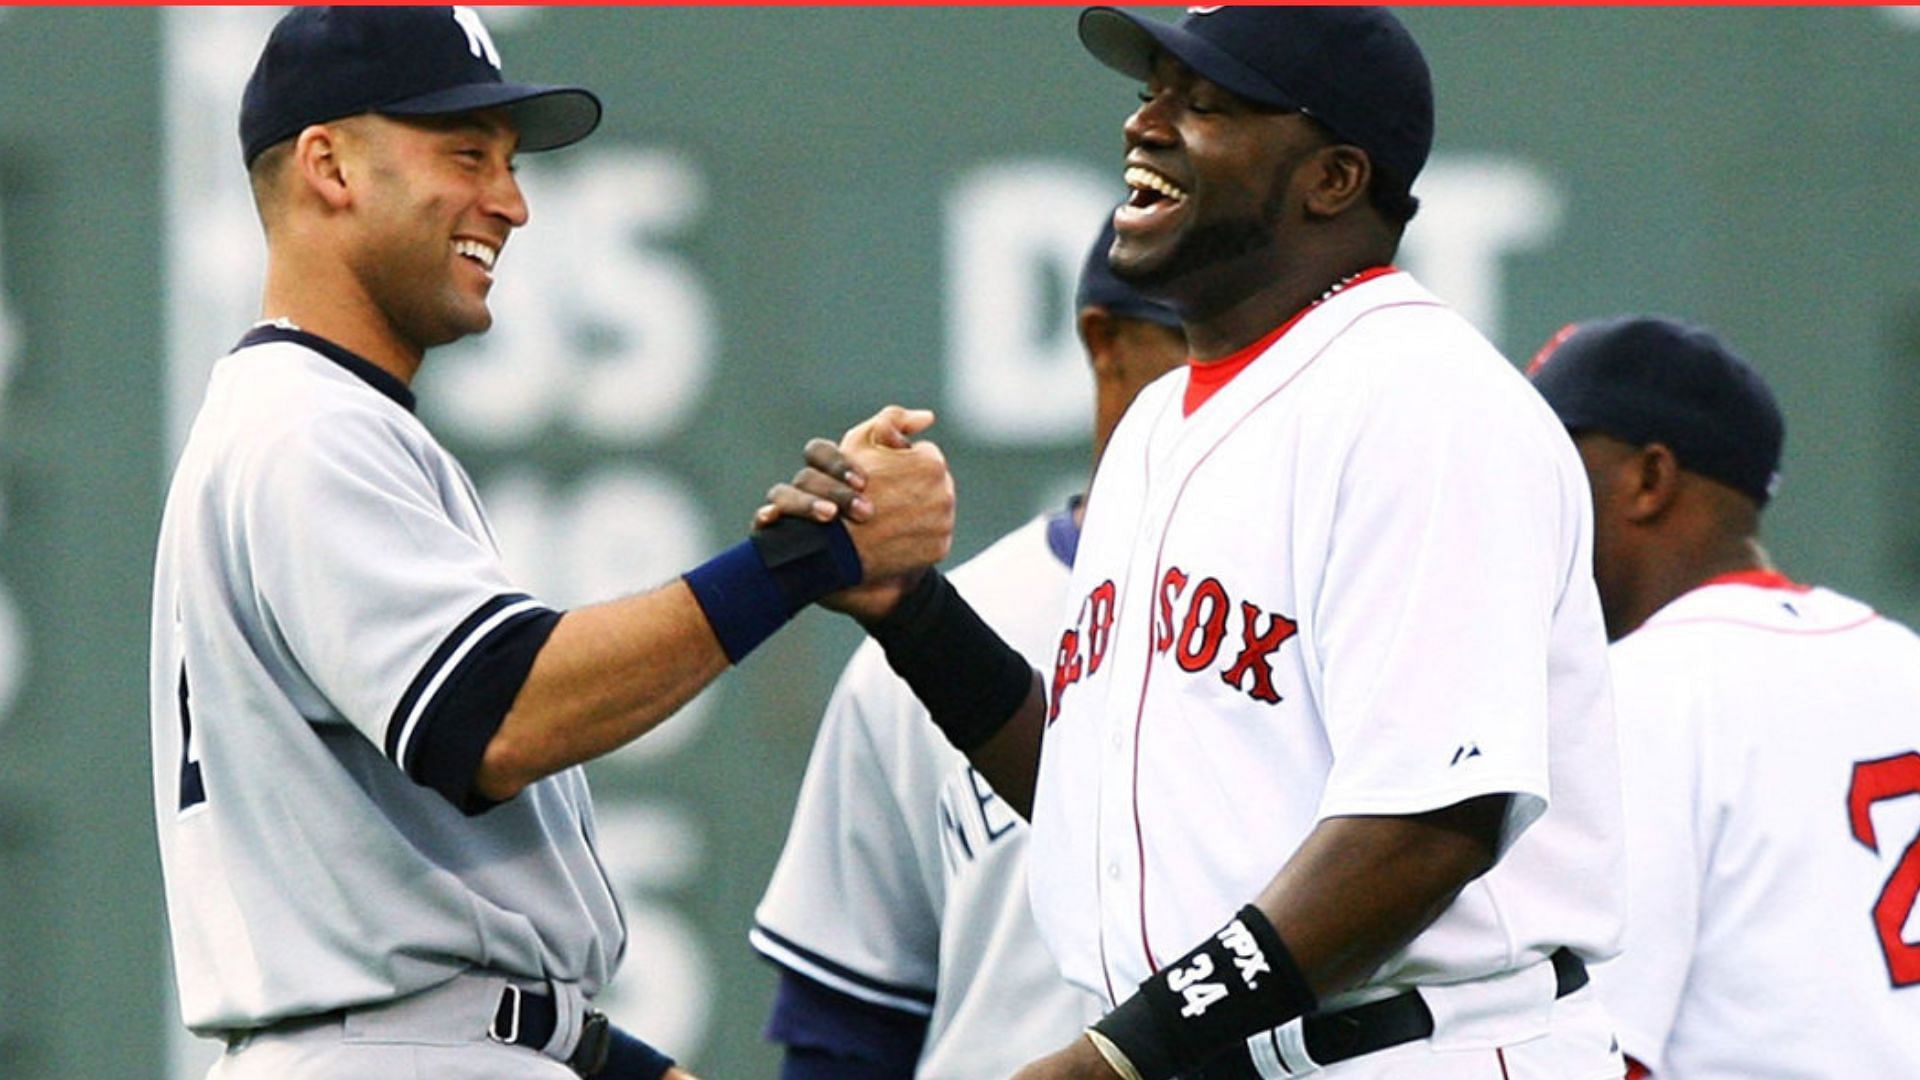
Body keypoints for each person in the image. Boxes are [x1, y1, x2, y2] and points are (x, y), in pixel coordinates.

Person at [766, 7, 1626, 1079]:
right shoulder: (1163, 428)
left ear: (1334, 178)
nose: (1147, 127)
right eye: (1150, 95)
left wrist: (1113, 1058)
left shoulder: (1421, 399)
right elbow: (1110, 802)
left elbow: (1428, 824)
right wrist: (916, 617)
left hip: (1410, 1051)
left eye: (1205, 105)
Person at [148, 8, 950, 1079]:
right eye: (466, 154)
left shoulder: (308, 420)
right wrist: (811, 555)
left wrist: (616, 1063)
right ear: (328, 164)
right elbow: (498, 716)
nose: (512, 203)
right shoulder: (308, 429)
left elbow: (423, 888)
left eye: (510, 163)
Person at [750, 221, 1188, 1079]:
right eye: (1205, 339)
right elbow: (849, 1024)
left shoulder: (1357, 630)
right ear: (1108, 342)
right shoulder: (926, 643)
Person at [1528, 316, 1920, 1079]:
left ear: (1649, 480)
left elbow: (1601, 1055)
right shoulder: (1905, 662)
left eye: (1552, 467)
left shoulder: (1638, 696)